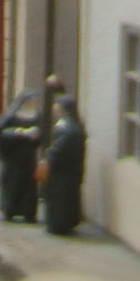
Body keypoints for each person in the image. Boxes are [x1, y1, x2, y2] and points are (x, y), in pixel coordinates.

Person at [0, 90, 44, 223]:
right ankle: (9, 210)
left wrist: (36, 136)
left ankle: (29, 213)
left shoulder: (36, 116)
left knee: (28, 188)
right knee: (12, 185)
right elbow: (1, 133)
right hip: (13, 158)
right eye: (28, 102)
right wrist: (17, 132)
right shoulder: (11, 115)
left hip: (28, 159)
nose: (30, 104)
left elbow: (41, 135)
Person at [41, 95, 86, 235]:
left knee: (60, 200)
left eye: (56, 105)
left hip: (62, 173)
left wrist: (48, 158)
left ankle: (59, 226)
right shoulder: (71, 125)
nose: (54, 108)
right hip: (68, 172)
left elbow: (59, 149)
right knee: (65, 198)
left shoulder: (68, 128)